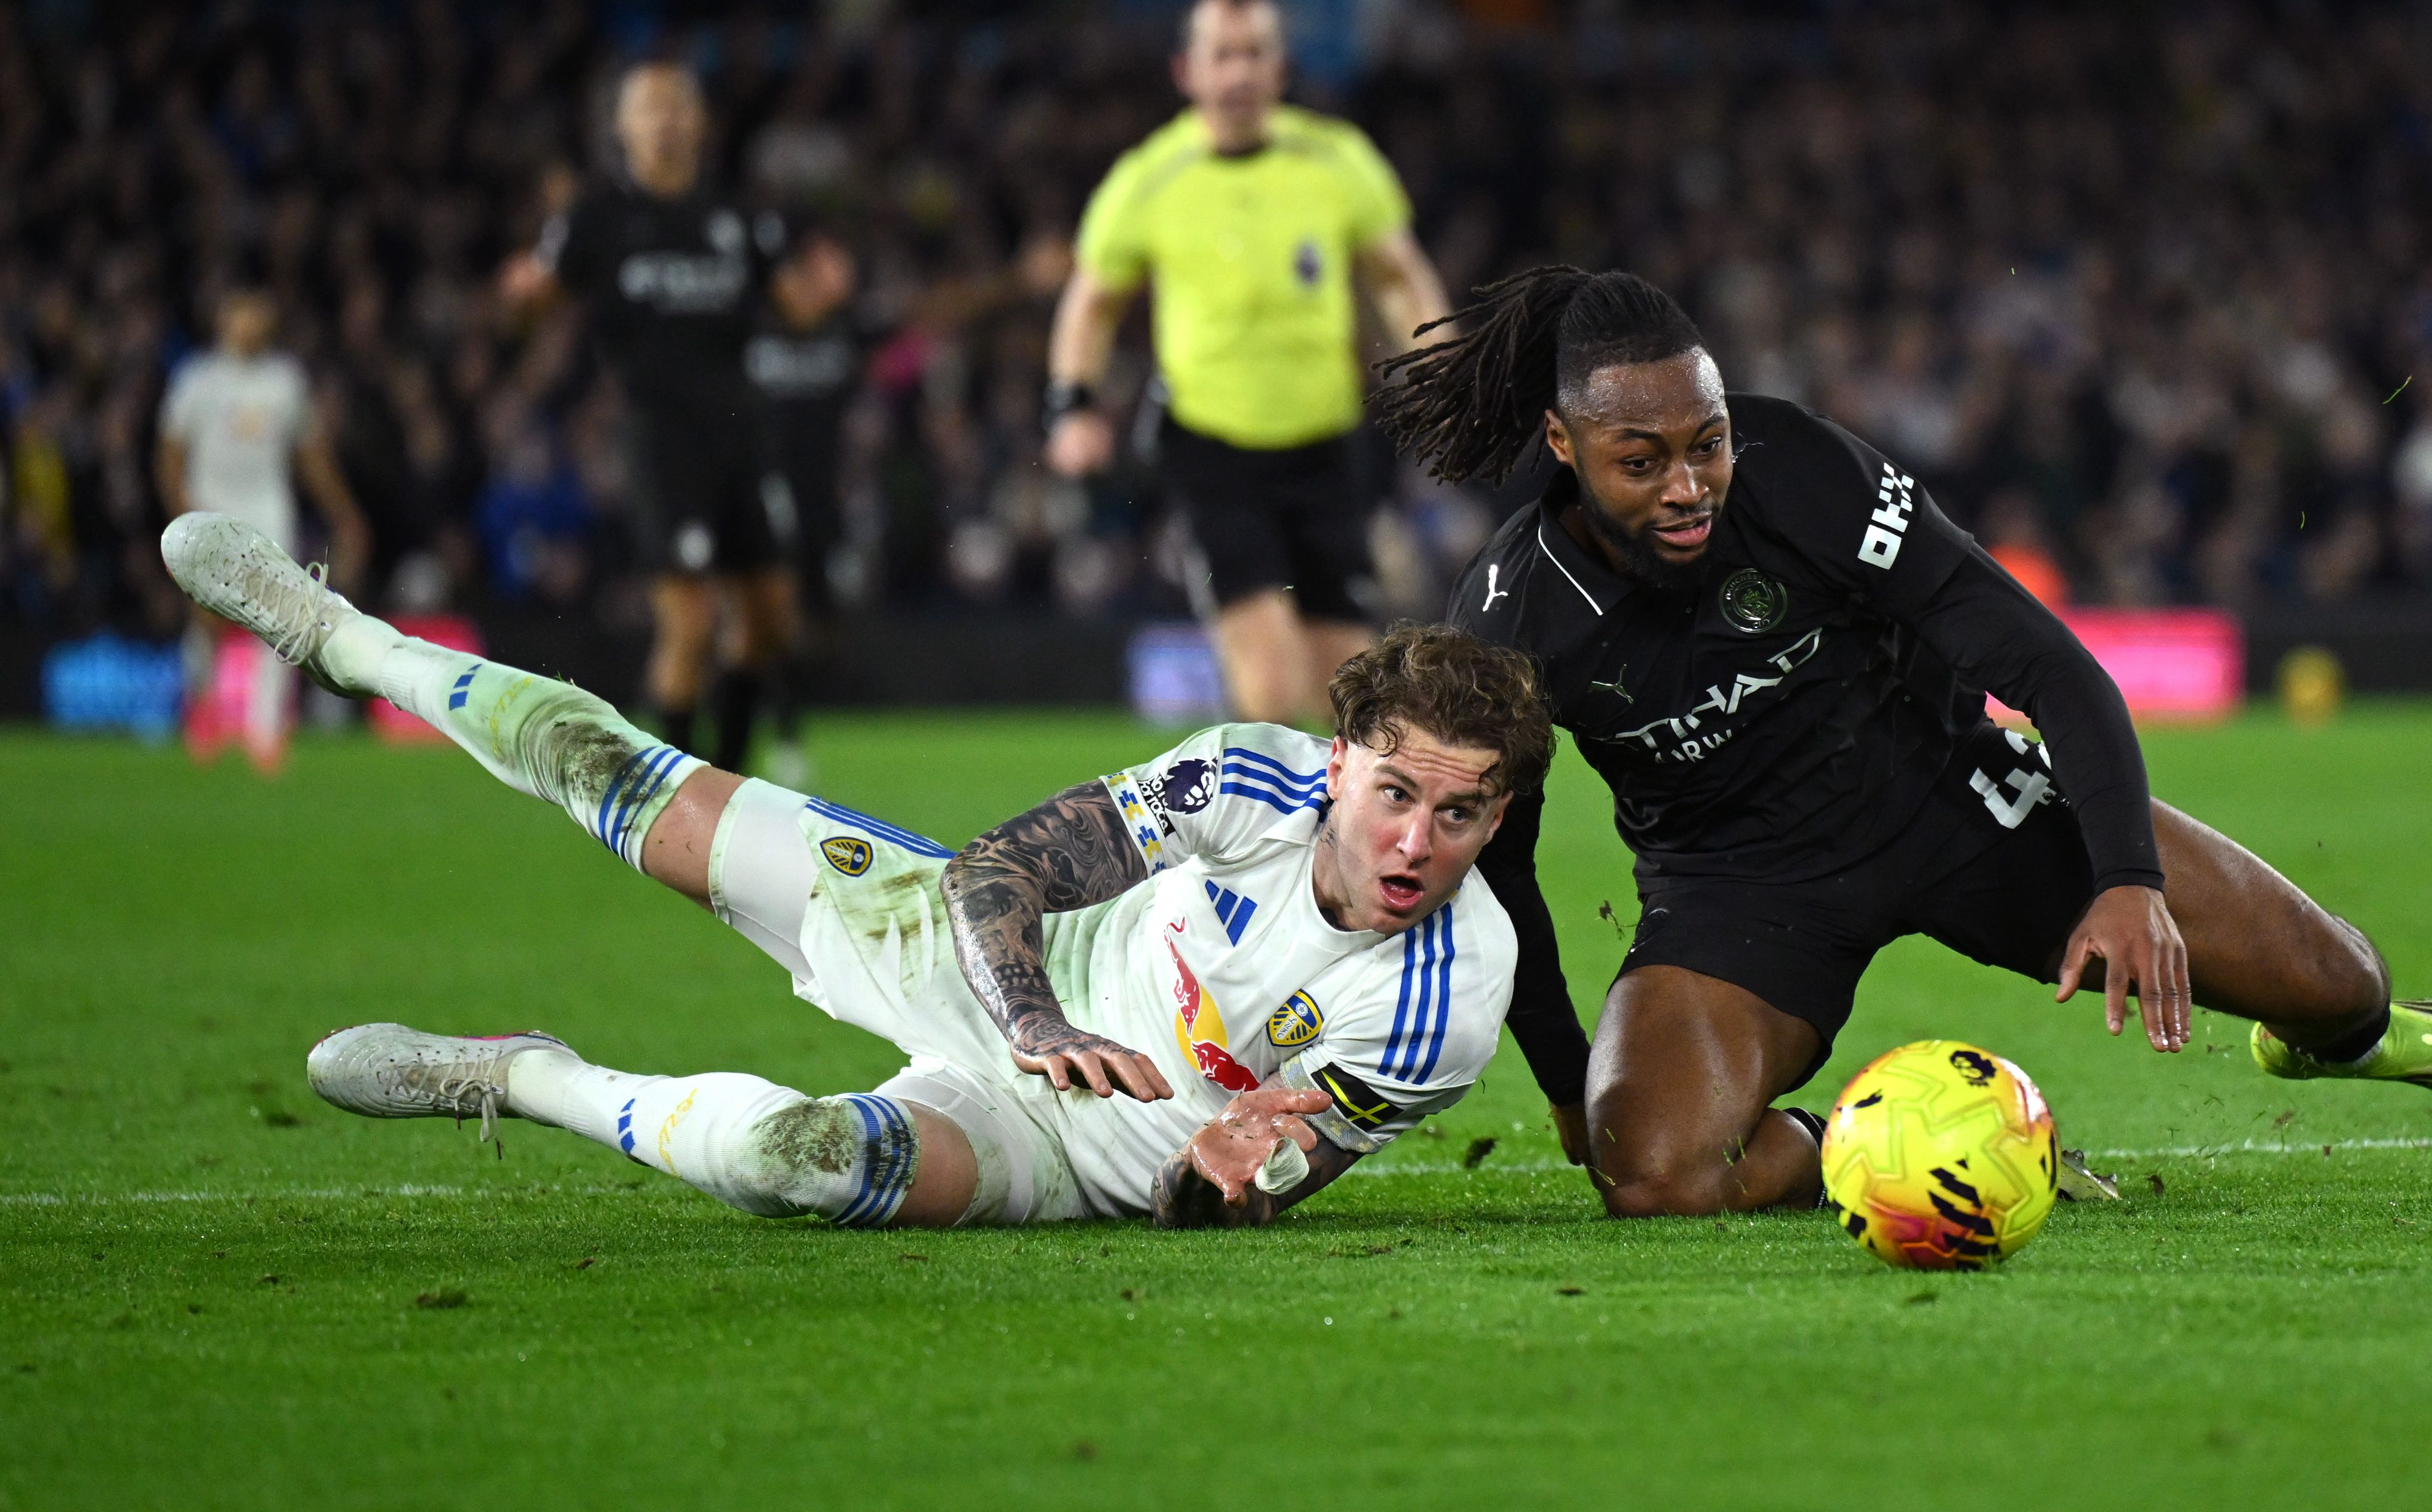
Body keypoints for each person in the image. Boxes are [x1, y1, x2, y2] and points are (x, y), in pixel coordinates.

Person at [1377, 266, 2432, 1218]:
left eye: (1708, 444)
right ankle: (1894, 1147)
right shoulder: (1511, 622)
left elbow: (2047, 665)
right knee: (1650, 1176)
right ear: (1562, 443)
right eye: (1641, 461)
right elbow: (1503, 867)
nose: (1688, 487)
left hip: (1954, 799)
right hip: (1737, 889)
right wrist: (1565, 1082)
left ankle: (2324, 1035)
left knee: (2343, 988)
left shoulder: (1804, 473)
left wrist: (2126, 881)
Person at [160, 510, 1547, 1228]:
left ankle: (519, 1078)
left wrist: (1221, 1178)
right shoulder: (1247, 776)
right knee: (616, 775)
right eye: (1395, 795)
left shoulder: (1452, 996)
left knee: (799, 1163)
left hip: (1059, 1154)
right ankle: (341, 638)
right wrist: (1036, 1020)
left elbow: (1236, 1194)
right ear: (1340, 761)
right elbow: (996, 871)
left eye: (1461, 815)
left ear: (1498, 819)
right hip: (991, 961)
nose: (1415, 843)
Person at [1044, 0, 1453, 724]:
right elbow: (1091, 302)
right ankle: (1264, 799)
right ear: (1187, 71)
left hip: (1325, 449)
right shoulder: (1150, 178)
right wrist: (1071, 406)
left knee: (1348, 691)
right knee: (1269, 683)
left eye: (1254, 53)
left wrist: (1440, 366)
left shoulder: (1336, 160)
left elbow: (1398, 275)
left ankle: (1323, 805)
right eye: (1222, 55)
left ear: (1280, 68)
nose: (1239, 73)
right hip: (1213, 451)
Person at [501, 63, 843, 775]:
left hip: (742, 431)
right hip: (660, 436)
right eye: (650, 107)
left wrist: (825, 289)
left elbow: (796, 310)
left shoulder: (735, 214)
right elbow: (534, 305)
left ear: (700, 123)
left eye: (678, 105)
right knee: (690, 623)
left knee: (769, 616)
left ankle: (729, 774)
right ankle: (675, 796)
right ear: (622, 126)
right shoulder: (596, 218)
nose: (665, 119)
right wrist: (520, 296)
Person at [156, 287, 371, 772]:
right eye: (241, 311)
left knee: (280, 619)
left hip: (269, 511)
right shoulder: (198, 379)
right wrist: (179, 515)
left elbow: (311, 454)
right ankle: (204, 706)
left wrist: (343, 511)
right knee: (206, 619)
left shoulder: (285, 381)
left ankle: (266, 730)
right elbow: (170, 453)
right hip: (210, 507)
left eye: (257, 311)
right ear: (223, 317)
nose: (250, 321)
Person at [744, 225, 862, 789]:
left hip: (826, 499)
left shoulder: (844, 333)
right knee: (775, 613)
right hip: (766, 491)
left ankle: (791, 710)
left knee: (820, 620)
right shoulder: (750, 329)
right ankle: (783, 730)